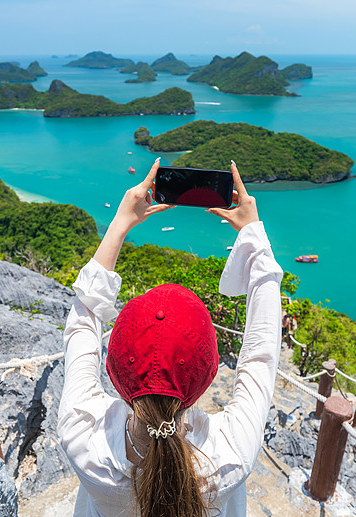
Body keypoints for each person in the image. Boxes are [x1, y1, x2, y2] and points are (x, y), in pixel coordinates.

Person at [58, 159, 283, 517]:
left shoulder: (83, 439)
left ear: (114, 369)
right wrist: (252, 233)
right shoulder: (231, 453)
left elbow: (83, 322)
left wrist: (120, 223)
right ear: (208, 374)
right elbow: (262, 352)